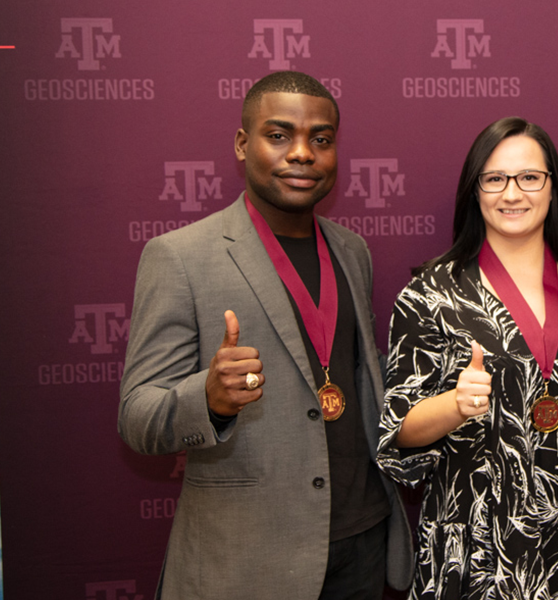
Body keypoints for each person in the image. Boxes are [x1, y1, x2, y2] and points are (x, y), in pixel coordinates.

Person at [119, 71, 412, 599]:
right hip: (249, 558)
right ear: (241, 143)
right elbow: (137, 416)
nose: (302, 153)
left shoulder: (353, 251)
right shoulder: (179, 258)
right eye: (279, 135)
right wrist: (207, 401)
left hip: (361, 541)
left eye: (320, 140)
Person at [377, 117, 558, 599]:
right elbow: (397, 436)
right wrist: (454, 404)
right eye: (494, 179)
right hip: (476, 549)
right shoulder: (430, 294)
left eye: (529, 177)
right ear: (474, 191)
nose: (512, 193)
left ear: (553, 186)